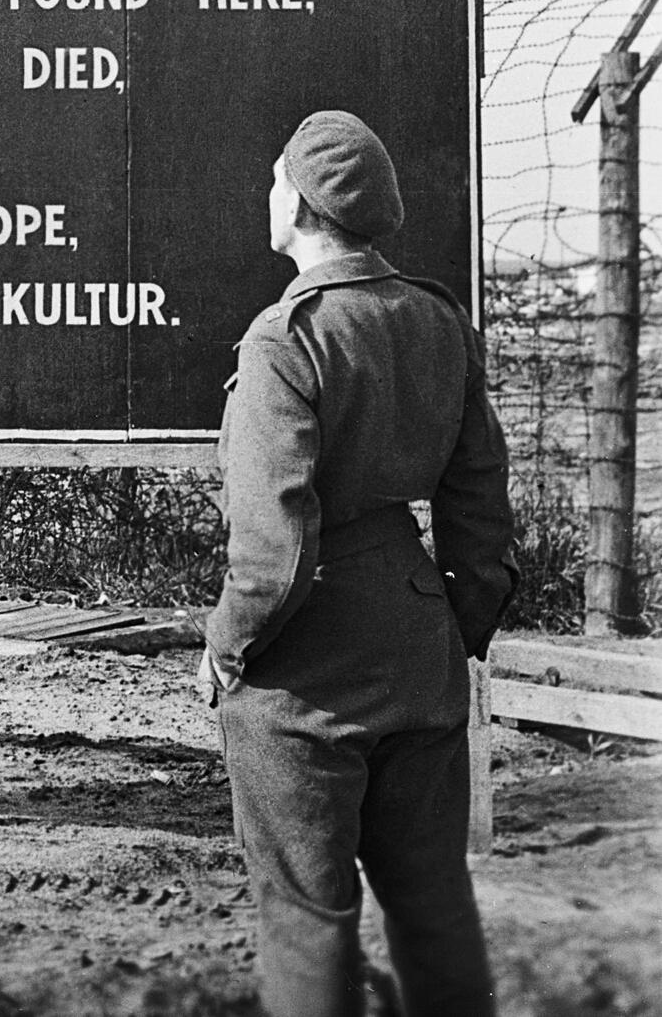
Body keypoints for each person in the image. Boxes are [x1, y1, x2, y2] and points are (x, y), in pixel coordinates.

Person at [198, 110, 518, 1017]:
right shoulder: (438, 320)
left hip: (304, 671)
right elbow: (478, 507)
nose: (267, 194)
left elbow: (272, 550)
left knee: (307, 918)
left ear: (301, 203)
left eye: (275, 180)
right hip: (418, 641)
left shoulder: (284, 338)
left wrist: (225, 645)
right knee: (433, 904)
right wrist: (454, 626)